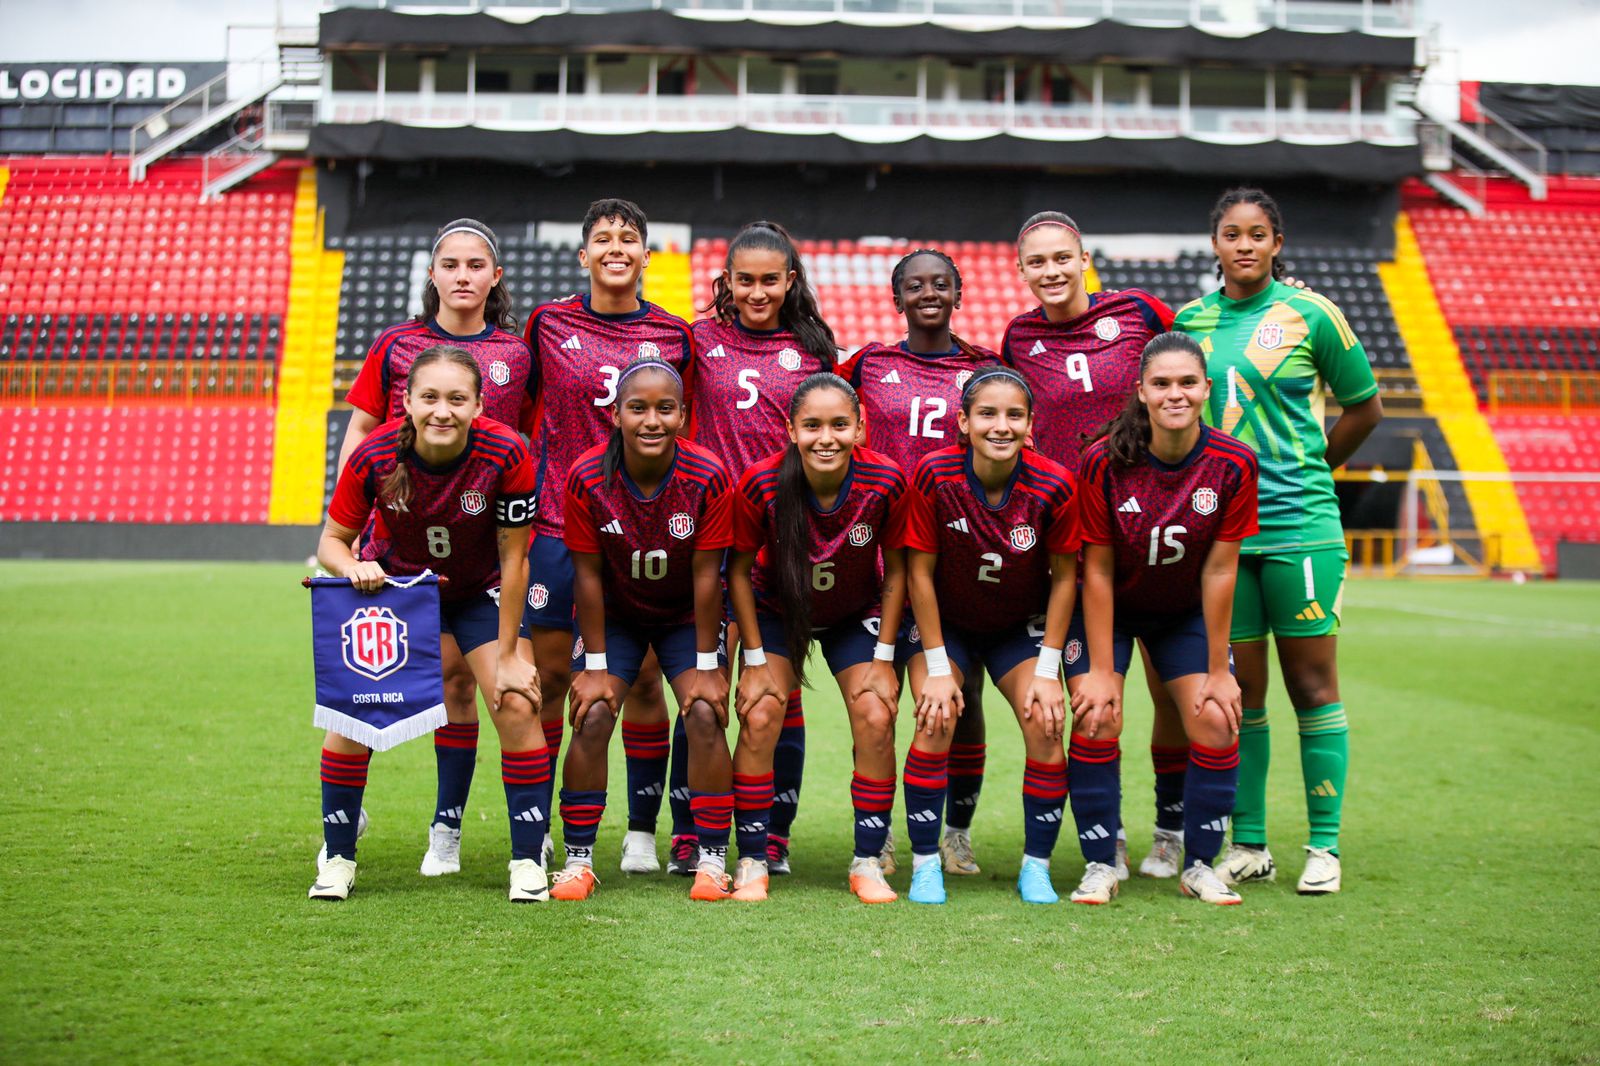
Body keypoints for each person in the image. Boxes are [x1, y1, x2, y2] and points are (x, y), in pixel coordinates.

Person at [1174, 187, 1383, 895]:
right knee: (1244, 694)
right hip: (1224, 537)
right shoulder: (1191, 321)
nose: (1244, 246)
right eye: (1231, 234)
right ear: (1215, 244)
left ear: (1276, 242)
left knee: (1314, 684)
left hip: (1301, 528)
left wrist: (1314, 467)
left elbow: (1365, 406)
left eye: (1257, 234)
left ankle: (1323, 847)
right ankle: (1252, 843)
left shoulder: (1312, 314)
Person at [311, 345, 548, 903]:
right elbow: (330, 543)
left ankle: (527, 860)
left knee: (516, 701)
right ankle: (339, 858)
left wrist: (512, 657)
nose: (443, 411)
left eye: (457, 399)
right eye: (430, 398)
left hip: (476, 592)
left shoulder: (508, 452)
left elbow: (515, 558)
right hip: (396, 592)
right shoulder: (373, 456)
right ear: (407, 403)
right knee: (349, 716)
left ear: (479, 404)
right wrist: (354, 566)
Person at [336, 218, 536, 879]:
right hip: (401, 542)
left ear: (494, 276)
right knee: (374, 697)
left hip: (484, 545)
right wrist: (351, 525)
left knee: (470, 683)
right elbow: (363, 428)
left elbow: (528, 442)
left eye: (475, 264)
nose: (461, 275)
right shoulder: (396, 345)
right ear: (432, 274)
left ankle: (448, 825)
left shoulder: (516, 351)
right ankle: (343, 816)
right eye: (449, 264)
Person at [1001, 213, 1194, 881]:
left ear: (1085, 258)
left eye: (1062, 257)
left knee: (1172, 695)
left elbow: (1185, 379)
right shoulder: (1018, 337)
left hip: (1156, 534)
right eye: (1037, 262)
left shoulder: (1139, 311)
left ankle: (1170, 828)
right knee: (1095, 698)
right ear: (1021, 270)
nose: (1051, 271)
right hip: (1079, 546)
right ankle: (1103, 840)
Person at [523, 199, 696, 875]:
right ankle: (534, 823)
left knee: (646, 678)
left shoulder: (675, 335)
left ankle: (643, 834)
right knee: (551, 678)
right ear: (584, 255)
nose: (616, 246)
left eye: (629, 238)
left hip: (645, 532)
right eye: (603, 238)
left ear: (647, 256)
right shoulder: (547, 323)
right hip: (558, 527)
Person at [1070, 332, 1260, 906]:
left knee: (1216, 717)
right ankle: (1102, 862)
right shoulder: (1105, 459)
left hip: (1181, 614)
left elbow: (1221, 571)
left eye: (1186, 383)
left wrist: (1220, 668)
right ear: (1142, 393)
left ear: (1206, 388)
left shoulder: (1234, 463)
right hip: (1112, 610)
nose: (1175, 394)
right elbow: (1096, 571)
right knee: (1096, 714)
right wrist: (1102, 669)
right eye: (1162, 384)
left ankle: (1198, 862)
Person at [682, 220, 838, 878]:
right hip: (710, 536)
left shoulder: (814, 349)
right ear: (726, 282)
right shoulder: (698, 341)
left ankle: (773, 831)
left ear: (790, 282)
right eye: (744, 280)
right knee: (704, 691)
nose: (756, 291)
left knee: (781, 692)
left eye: (769, 280)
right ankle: (694, 829)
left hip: (785, 540)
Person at [550, 357, 737, 902]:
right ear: (616, 415)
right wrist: (597, 667)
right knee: (592, 712)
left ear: (683, 415)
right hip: (616, 615)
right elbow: (585, 574)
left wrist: (707, 666)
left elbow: (708, 575)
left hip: (686, 617)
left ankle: (711, 859)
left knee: (704, 713)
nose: (651, 420)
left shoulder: (708, 475)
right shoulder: (587, 475)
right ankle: (579, 859)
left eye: (664, 408)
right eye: (638, 408)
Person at [899, 366, 1082, 906]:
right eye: (987, 414)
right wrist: (935, 666)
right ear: (964, 422)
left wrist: (1049, 673)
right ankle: (926, 865)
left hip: (1016, 628)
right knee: (937, 716)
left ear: (1030, 424)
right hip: (946, 625)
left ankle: (1037, 868)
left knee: (1047, 722)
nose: (1000, 426)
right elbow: (919, 574)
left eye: (1013, 415)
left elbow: (1067, 578)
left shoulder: (1053, 483)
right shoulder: (935, 474)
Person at [843, 247, 998, 879]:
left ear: (960, 293)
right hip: (878, 551)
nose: (928, 292)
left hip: (954, 552)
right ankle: (878, 837)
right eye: (915, 285)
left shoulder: (987, 368)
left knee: (962, 692)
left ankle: (954, 833)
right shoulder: (869, 363)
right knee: (879, 697)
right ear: (896, 296)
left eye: (941, 283)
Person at [727, 373, 910, 904]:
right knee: (760, 711)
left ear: (860, 428)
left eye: (838, 424)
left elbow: (897, 569)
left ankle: (868, 859)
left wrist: (882, 656)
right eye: (811, 425)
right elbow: (737, 571)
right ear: (790, 430)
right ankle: (753, 859)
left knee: (877, 713)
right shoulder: (762, 483)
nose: (825, 437)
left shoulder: (885, 480)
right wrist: (757, 659)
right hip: (779, 611)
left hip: (856, 612)